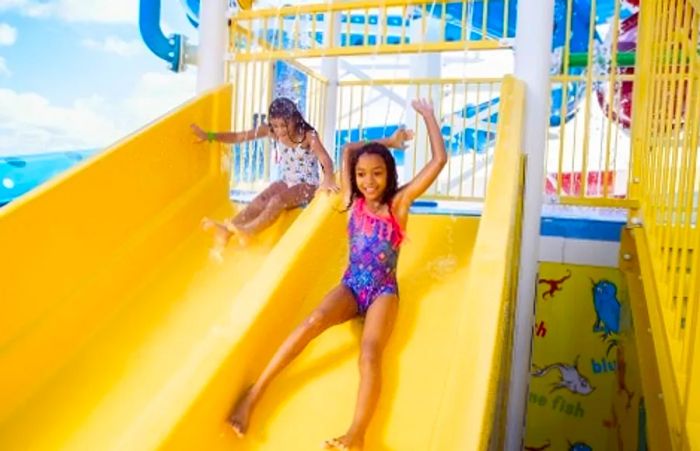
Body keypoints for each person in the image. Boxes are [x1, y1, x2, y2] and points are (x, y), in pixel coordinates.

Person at [227, 98, 447, 450]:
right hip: (350, 286)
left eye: (377, 173)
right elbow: (346, 148)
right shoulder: (349, 200)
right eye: (362, 174)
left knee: (370, 352)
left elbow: (438, 161)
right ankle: (254, 395)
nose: (368, 180)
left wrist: (429, 117)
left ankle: (357, 433)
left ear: (390, 174)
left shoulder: (398, 204)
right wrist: (386, 143)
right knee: (312, 320)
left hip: (383, 292)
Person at [192, 97, 338, 255]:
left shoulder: (308, 136)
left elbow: (325, 158)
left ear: (295, 119)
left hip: (307, 186)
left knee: (277, 200)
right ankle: (227, 230)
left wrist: (328, 179)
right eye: (275, 126)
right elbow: (238, 137)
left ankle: (249, 231)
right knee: (260, 200)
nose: (280, 130)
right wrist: (209, 136)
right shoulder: (271, 132)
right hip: (287, 181)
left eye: (284, 125)